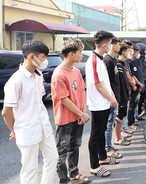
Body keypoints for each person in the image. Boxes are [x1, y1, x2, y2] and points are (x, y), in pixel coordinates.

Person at [1, 40, 59, 184]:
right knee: (30, 168)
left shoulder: (37, 76)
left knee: (52, 158)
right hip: (26, 130)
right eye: (43, 57)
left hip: (43, 126)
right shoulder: (16, 81)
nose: (45, 61)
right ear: (32, 57)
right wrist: (13, 129)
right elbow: (6, 112)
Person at [51, 38, 91, 184]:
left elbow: (83, 90)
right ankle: (63, 179)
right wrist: (81, 113)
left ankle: (74, 173)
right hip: (65, 119)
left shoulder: (76, 71)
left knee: (75, 147)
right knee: (62, 151)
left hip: (78, 117)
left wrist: (83, 111)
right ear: (71, 54)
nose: (82, 55)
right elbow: (64, 100)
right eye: (80, 52)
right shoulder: (58, 74)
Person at [86, 30, 119, 178]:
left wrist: (111, 97)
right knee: (96, 134)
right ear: (105, 45)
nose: (111, 46)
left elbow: (104, 82)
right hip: (98, 104)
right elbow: (98, 84)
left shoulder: (100, 59)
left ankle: (103, 157)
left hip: (104, 103)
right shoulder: (93, 60)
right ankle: (94, 165)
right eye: (111, 44)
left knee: (101, 131)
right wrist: (111, 99)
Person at [103, 37, 127, 156]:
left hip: (115, 97)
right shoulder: (108, 60)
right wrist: (111, 98)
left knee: (111, 122)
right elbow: (106, 83)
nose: (119, 47)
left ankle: (109, 145)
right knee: (109, 124)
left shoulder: (113, 60)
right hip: (110, 98)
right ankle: (108, 148)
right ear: (112, 45)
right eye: (118, 44)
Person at [115, 43, 132, 145]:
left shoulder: (124, 63)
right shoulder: (118, 64)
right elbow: (119, 84)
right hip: (121, 96)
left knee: (122, 116)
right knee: (118, 117)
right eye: (128, 50)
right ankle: (118, 137)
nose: (129, 52)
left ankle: (121, 134)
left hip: (125, 94)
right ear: (124, 51)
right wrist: (121, 97)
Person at [127, 44, 145, 129]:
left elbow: (138, 73)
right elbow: (132, 75)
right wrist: (139, 84)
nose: (139, 54)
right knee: (132, 105)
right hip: (134, 86)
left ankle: (134, 120)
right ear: (133, 52)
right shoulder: (129, 62)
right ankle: (130, 123)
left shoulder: (135, 61)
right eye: (138, 52)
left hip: (138, 86)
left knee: (135, 104)